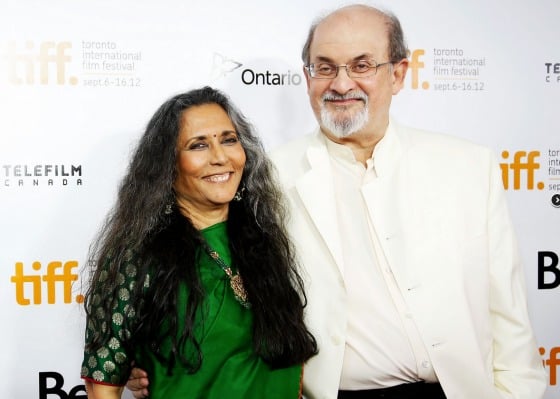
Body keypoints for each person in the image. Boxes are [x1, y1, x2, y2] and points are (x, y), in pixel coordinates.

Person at [126, 5, 547, 399]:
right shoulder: (263, 178)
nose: (341, 84)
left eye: (362, 65)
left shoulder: (468, 167)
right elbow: (198, 270)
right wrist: (149, 355)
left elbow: (508, 316)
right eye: (324, 68)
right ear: (307, 77)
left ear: (399, 74)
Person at [80, 86, 318, 399]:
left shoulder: (263, 238)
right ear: (168, 164)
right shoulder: (137, 254)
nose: (220, 157)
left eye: (229, 140)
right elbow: (103, 383)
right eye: (198, 145)